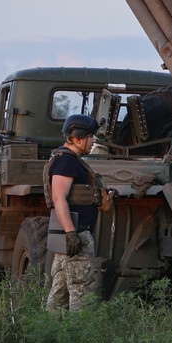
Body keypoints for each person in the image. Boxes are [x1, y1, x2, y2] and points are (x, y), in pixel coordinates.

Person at [44, 114, 101, 312]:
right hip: (76, 234)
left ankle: (52, 329)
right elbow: (59, 198)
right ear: (77, 138)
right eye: (90, 136)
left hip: (71, 234)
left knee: (59, 293)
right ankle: (79, 330)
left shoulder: (68, 159)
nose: (93, 141)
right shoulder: (67, 161)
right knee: (82, 294)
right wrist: (71, 233)